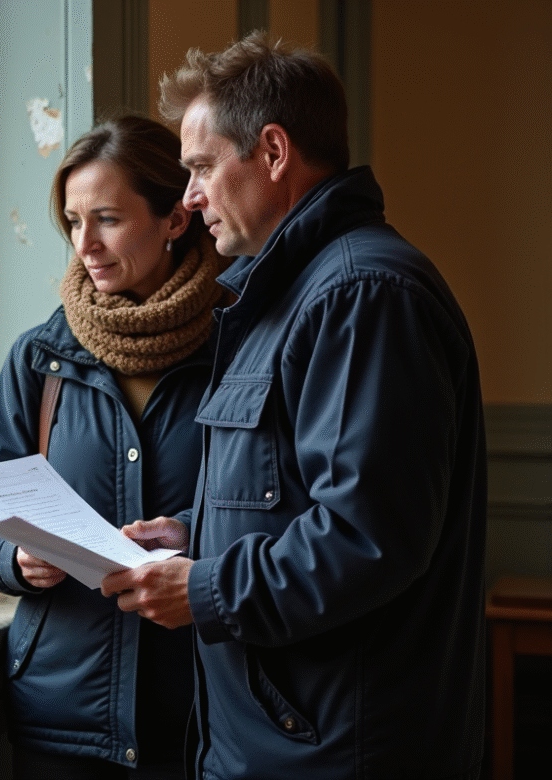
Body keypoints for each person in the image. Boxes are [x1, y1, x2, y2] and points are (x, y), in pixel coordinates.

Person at [101, 32, 488, 779]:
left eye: (203, 168)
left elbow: (365, 539)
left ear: (273, 153)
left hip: (338, 755)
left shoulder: (360, 295)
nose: (189, 197)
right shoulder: (285, 295)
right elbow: (307, 497)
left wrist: (205, 585)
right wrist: (201, 535)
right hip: (284, 745)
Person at [0, 115, 228, 779]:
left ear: (175, 218)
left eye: (106, 218)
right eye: (73, 223)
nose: (86, 246)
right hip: (61, 722)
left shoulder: (238, 349)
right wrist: (15, 558)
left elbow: (281, 507)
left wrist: (193, 537)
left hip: (202, 713)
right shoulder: (39, 359)